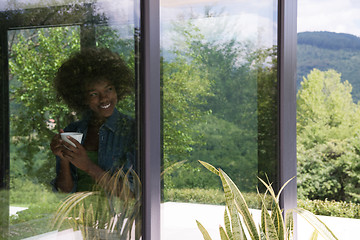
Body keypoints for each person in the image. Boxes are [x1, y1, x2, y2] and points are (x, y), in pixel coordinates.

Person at [50, 48, 135, 193]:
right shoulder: (73, 130)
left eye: (109, 89)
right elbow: (65, 190)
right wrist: (63, 158)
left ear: (117, 89)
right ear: (82, 98)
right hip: (78, 215)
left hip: (117, 215)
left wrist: (88, 166)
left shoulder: (131, 130)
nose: (104, 98)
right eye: (94, 93)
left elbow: (131, 194)